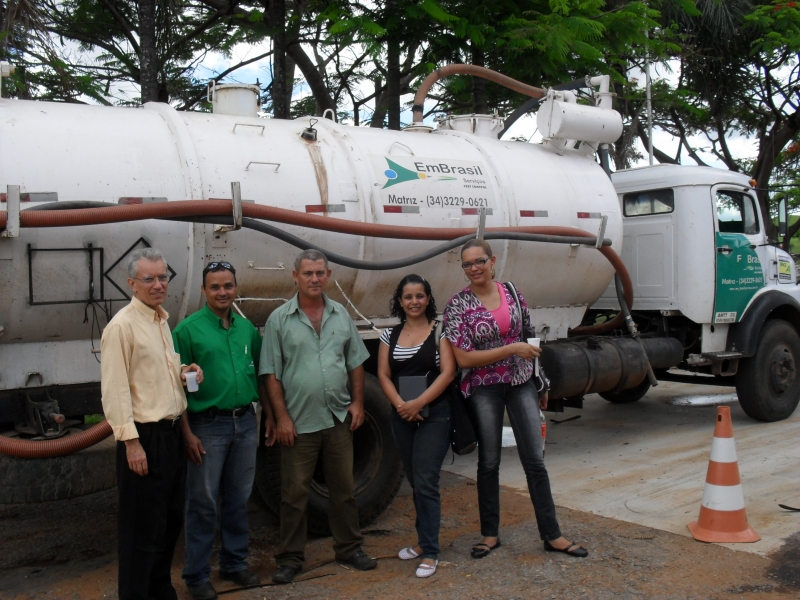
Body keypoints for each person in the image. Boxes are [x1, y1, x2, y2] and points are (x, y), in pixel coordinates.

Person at [443, 239, 588, 559]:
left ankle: (552, 535)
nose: (474, 268)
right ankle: (489, 534)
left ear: (492, 261)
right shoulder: (457, 305)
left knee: (535, 461)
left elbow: (529, 337)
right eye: (467, 264)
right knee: (489, 462)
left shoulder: (511, 292)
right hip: (484, 387)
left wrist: (542, 383)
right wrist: (511, 350)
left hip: (521, 381)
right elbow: (464, 359)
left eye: (479, 261)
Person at [259, 249, 377, 584]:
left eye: (320, 273)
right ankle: (290, 558)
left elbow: (355, 362)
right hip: (299, 423)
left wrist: (357, 403)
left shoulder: (340, 315)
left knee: (344, 490)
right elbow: (271, 375)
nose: (314, 279)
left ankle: (349, 548)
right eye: (308, 273)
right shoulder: (279, 319)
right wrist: (281, 418)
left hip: (338, 418)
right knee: (294, 494)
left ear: (329, 275)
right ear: (294, 276)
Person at [100, 247, 204, 600]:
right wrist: (131, 443)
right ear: (132, 284)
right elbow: (114, 391)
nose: (158, 284)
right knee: (140, 531)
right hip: (144, 438)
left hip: (171, 433)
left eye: (163, 277)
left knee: (168, 523)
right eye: (149, 279)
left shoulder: (161, 321)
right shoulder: (122, 327)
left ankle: (160, 593)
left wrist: (183, 372)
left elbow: (152, 376)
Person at [172, 261, 277, 600]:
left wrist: (270, 417)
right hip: (208, 425)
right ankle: (197, 575)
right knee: (202, 503)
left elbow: (259, 377)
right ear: (204, 290)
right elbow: (177, 390)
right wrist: (186, 434)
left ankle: (234, 563)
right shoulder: (187, 331)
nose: (222, 292)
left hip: (245, 422)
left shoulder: (247, 330)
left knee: (238, 499)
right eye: (215, 287)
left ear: (236, 288)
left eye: (228, 286)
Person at [377, 275, 456, 578]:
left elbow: (447, 373)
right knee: (415, 480)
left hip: (435, 414)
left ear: (428, 299)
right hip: (403, 416)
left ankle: (431, 552)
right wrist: (401, 405)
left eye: (420, 296)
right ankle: (423, 543)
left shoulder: (440, 331)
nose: (414, 302)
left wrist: (418, 402)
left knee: (425, 480)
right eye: (408, 297)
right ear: (400, 301)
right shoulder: (389, 335)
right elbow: (383, 374)